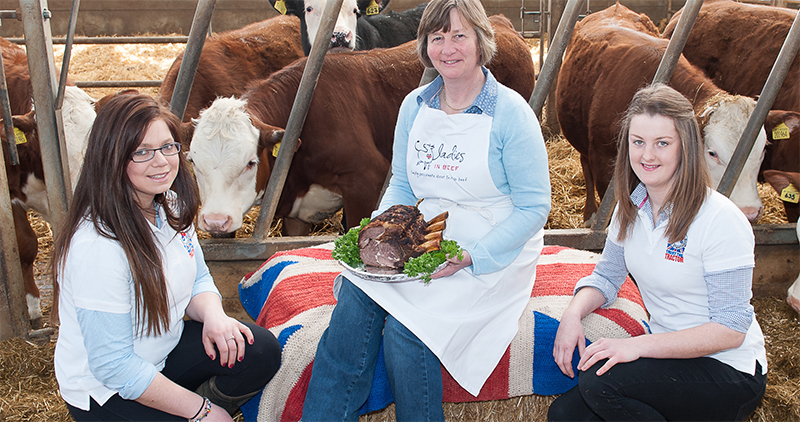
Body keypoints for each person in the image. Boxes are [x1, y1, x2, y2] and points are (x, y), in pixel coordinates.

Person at [301, 0, 551, 420]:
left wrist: (472, 256)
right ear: (425, 44)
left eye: (459, 35)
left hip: (489, 244)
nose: (448, 48)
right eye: (438, 37)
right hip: (424, 235)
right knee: (353, 307)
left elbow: (533, 206)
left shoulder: (511, 114)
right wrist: (380, 232)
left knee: (405, 331)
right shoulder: (415, 105)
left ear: (480, 42)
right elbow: (401, 180)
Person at [51, 93, 281, 422]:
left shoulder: (169, 203)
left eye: (168, 147)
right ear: (111, 157)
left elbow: (198, 276)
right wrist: (201, 411)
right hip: (108, 390)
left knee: (261, 350)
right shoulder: (96, 246)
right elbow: (114, 366)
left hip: (161, 354)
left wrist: (214, 316)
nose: (160, 161)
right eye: (141, 152)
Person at [548, 84, 767, 422]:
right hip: (669, 356)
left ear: (686, 147)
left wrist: (634, 347)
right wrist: (572, 315)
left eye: (662, 143)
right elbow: (607, 276)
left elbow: (731, 328)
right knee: (564, 415)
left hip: (728, 370)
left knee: (600, 384)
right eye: (638, 142)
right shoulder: (630, 208)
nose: (647, 155)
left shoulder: (720, 219)